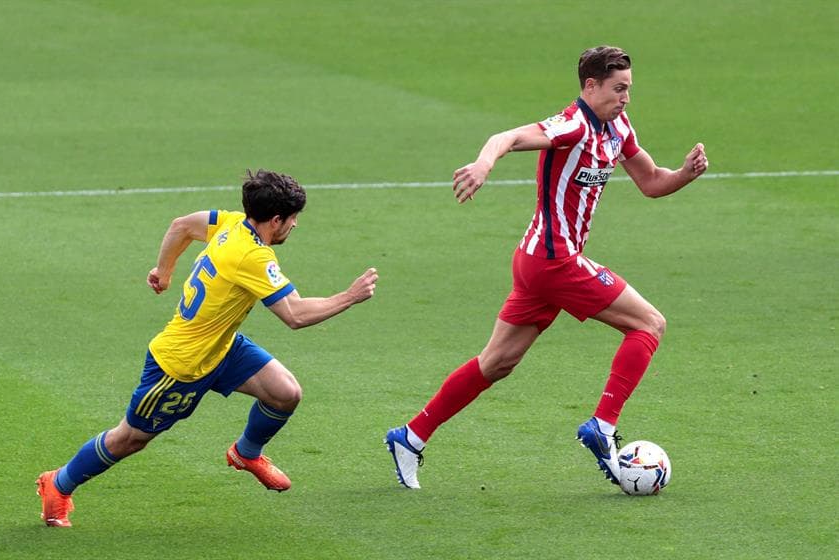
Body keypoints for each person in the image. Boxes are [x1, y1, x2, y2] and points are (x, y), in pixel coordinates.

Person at [385, 46, 708, 489]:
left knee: (496, 362)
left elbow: (651, 181)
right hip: (556, 262)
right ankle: (603, 426)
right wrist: (483, 164)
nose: (626, 98)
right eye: (618, 89)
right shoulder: (572, 125)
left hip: (537, 262)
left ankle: (410, 436)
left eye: (629, 89)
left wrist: (685, 173)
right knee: (649, 324)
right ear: (590, 86)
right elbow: (507, 137)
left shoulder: (618, 127)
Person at [36, 169, 378, 527]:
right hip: (181, 366)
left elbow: (182, 226)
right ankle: (58, 484)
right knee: (130, 438)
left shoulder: (231, 223)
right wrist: (350, 296)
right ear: (276, 220)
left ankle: (246, 453)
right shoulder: (253, 257)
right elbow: (295, 314)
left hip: (221, 347)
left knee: (285, 392)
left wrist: (164, 271)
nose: (295, 225)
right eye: (293, 218)